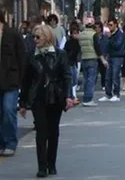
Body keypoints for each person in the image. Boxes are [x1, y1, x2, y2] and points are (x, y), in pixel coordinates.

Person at [18, 25, 74, 178]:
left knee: (53, 131)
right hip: (38, 98)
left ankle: (51, 163)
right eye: (33, 37)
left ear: (47, 37)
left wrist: (68, 96)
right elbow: (26, 81)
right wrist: (23, 104)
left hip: (56, 97)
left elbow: (66, 77)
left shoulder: (60, 54)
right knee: (41, 132)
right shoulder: (31, 56)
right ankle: (42, 166)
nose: (34, 40)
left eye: (38, 37)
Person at [0, 14, 26, 157]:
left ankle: (10, 143)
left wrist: (22, 81)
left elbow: (22, 57)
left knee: (8, 110)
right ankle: (2, 143)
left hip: (10, 80)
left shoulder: (12, 34)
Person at [99, 19, 125, 102]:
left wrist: (110, 38)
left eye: (111, 25)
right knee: (108, 76)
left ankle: (116, 94)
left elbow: (117, 45)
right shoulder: (109, 35)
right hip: (110, 56)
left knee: (115, 76)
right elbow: (106, 45)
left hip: (117, 57)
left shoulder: (120, 34)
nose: (109, 27)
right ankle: (108, 94)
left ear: (115, 25)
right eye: (108, 25)